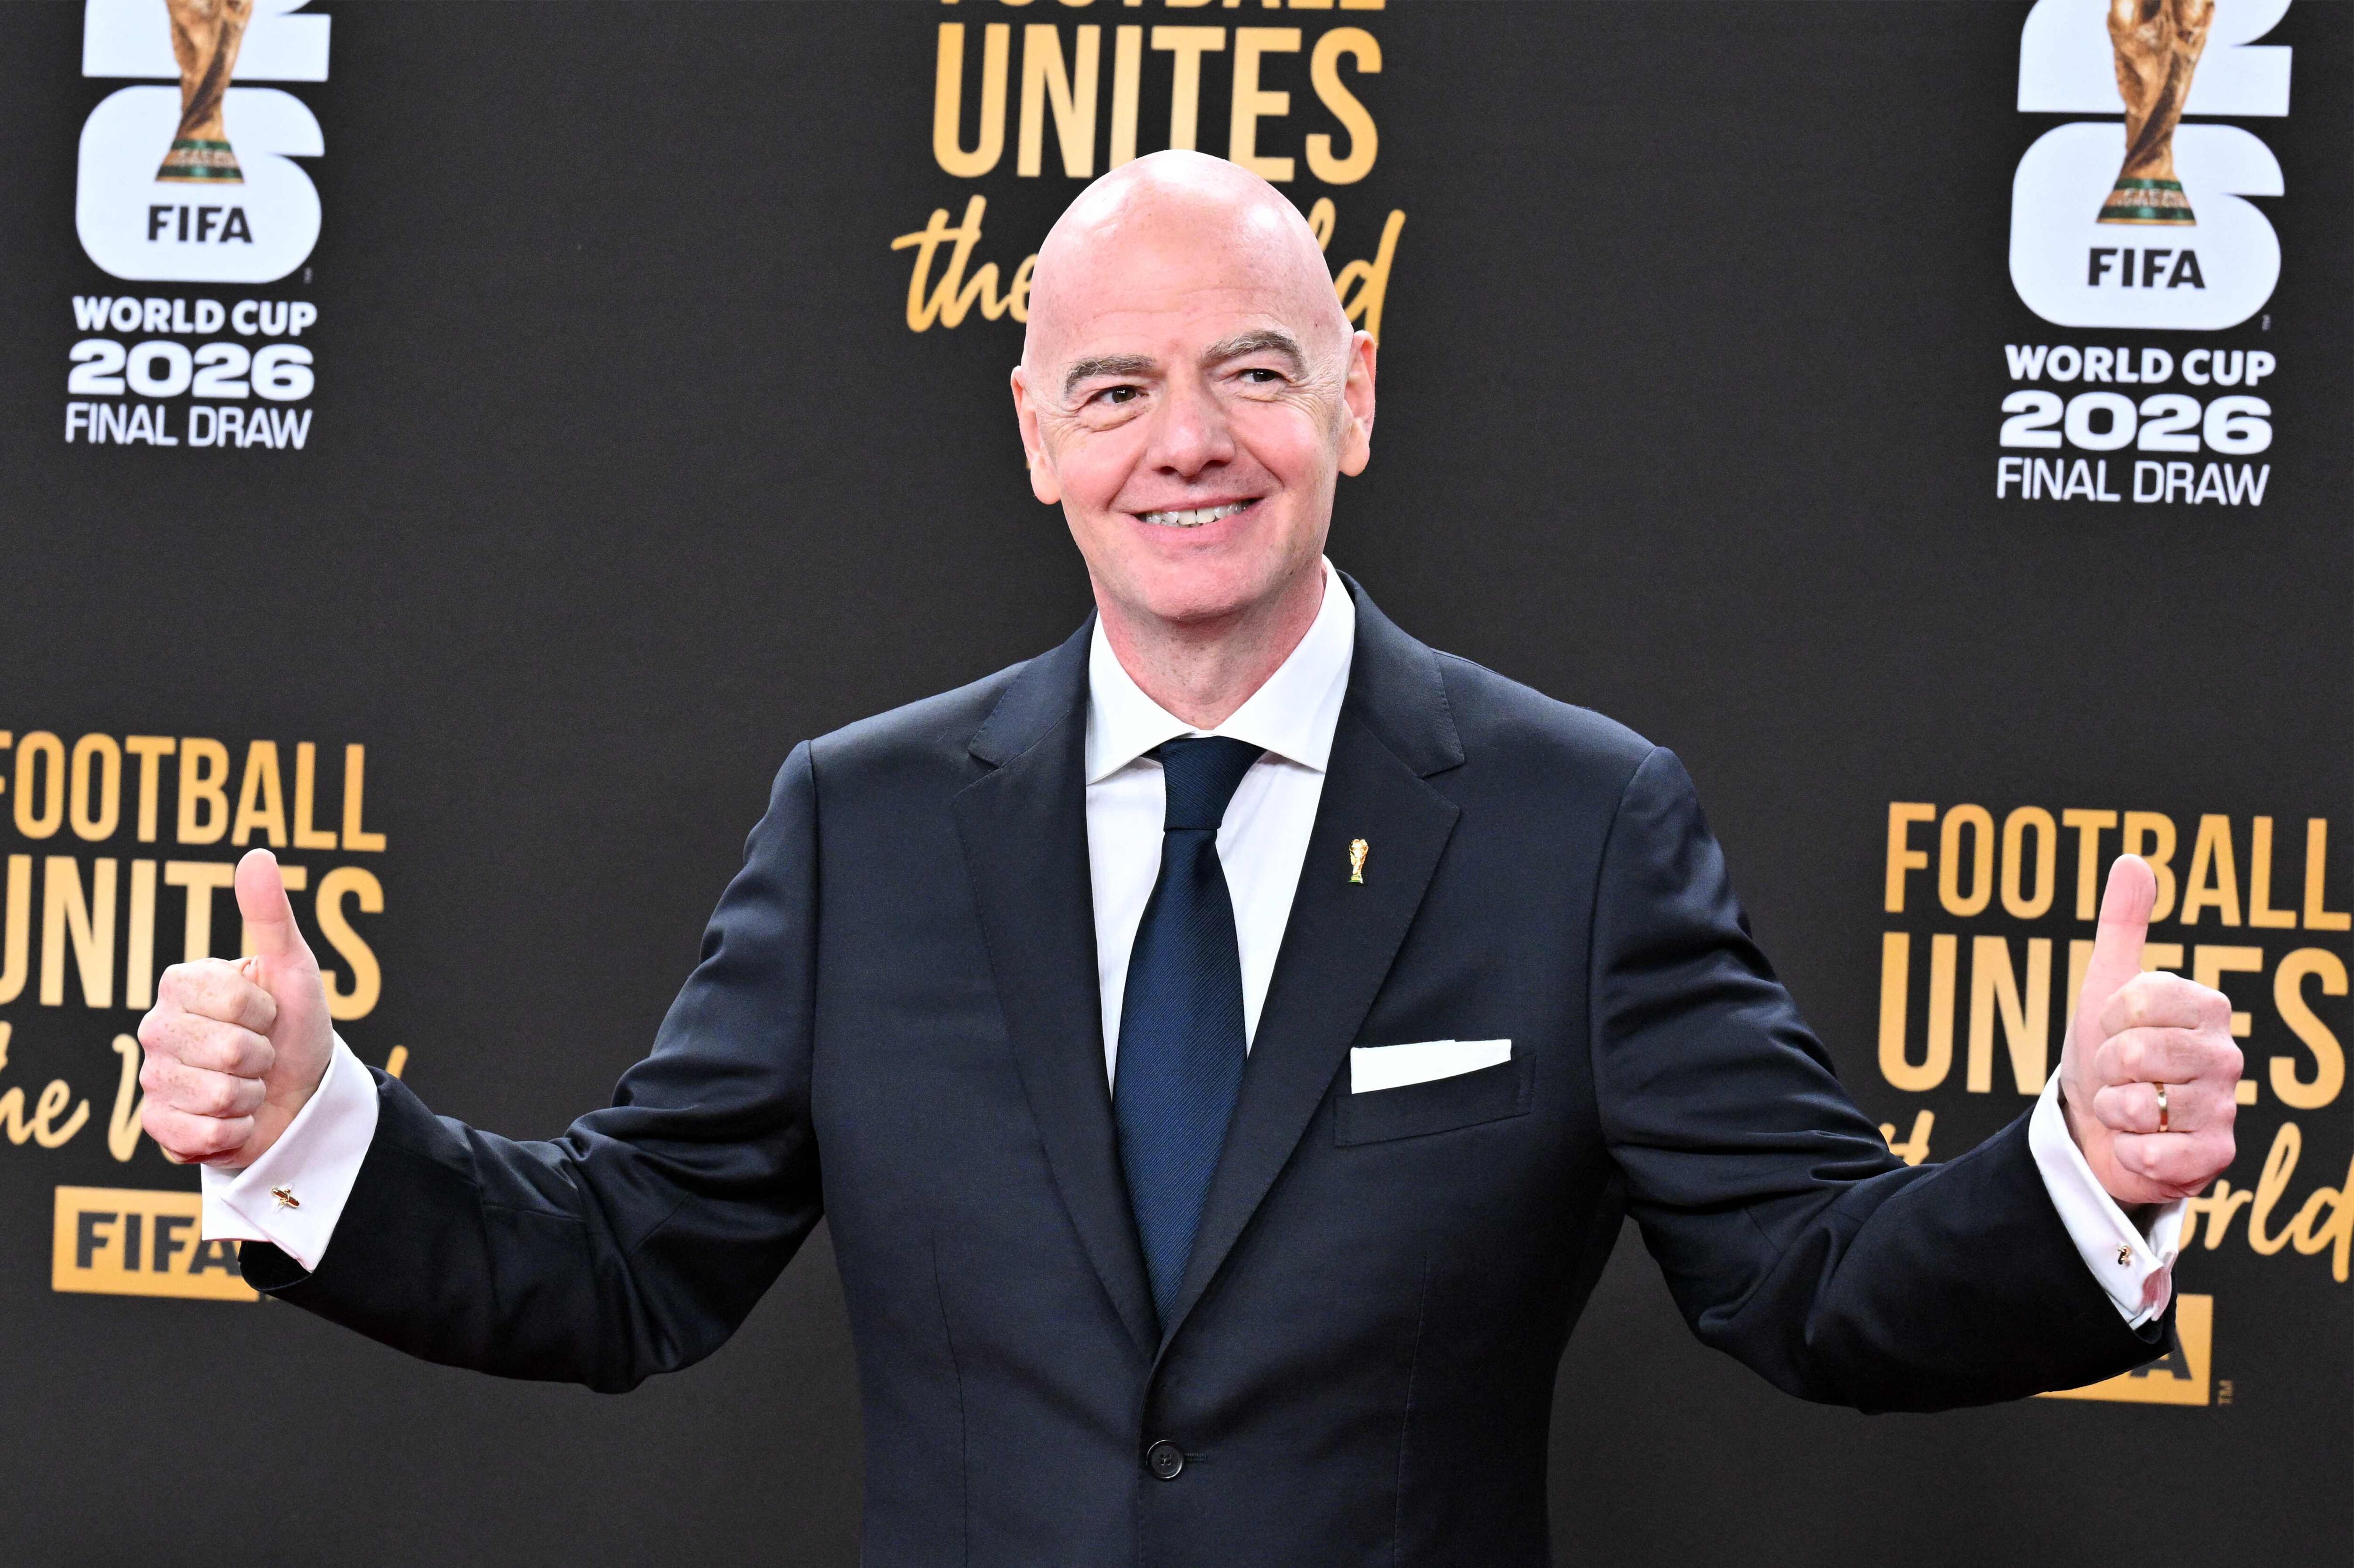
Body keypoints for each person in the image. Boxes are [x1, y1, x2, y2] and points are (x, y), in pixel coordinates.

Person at [138, 152, 2240, 1567]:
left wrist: (2075, 1165)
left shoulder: (1571, 824)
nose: (1188, 439)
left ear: (1353, 396)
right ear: (1038, 432)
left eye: (1252, 370)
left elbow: (1809, 1276)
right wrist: (315, 1120)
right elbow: (624, 1260)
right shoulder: (863, 825)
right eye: (1117, 386)